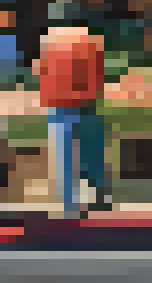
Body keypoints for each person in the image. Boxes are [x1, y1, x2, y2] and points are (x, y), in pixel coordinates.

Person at [38, 21, 110, 219]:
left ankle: (71, 204)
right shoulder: (91, 40)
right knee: (91, 154)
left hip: (60, 103)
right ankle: (99, 197)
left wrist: (46, 97)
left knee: (65, 157)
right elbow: (97, 74)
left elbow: (43, 72)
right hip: (85, 102)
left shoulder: (50, 40)